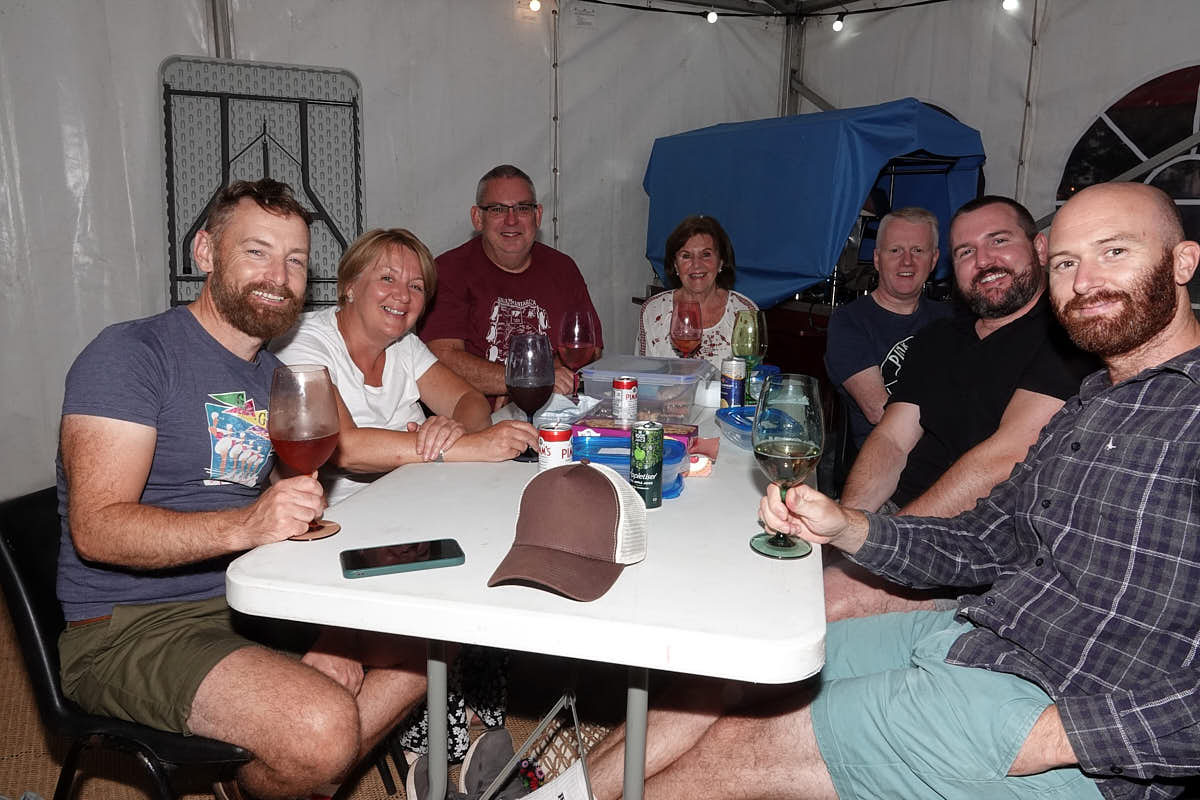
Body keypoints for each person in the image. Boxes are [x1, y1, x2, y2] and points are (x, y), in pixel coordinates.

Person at [596, 180, 1200, 800]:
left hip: (1061, 713)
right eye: (1069, 262)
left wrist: (1053, 738)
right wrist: (851, 527)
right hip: (985, 639)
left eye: (1115, 251)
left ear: (1183, 261)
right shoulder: (1093, 401)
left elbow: (997, 464)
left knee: (746, 745)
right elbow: (988, 537)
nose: (1085, 280)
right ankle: (562, 789)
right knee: (749, 656)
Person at [55, 179, 431, 800]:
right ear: (205, 252)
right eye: (257, 252)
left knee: (429, 639)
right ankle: (282, 769)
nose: (278, 277)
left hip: (249, 597)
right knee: (321, 727)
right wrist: (248, 524)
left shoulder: (277, 378)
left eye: (295, 261)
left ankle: (260, 781)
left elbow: (297, 518)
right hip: (131, 626)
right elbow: (96, 529)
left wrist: (336, 632)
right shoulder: (130, 354)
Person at [824, 195, 1098, 621]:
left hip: (983, 547)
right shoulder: (938, 339)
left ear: (1040, 248)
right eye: (966, 252)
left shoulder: (1067, 339)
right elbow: (892, 439)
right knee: (780, 571)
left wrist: (880, 544)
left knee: (821, 603)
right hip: (901, 519)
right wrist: (848, 526)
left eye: (999, 241)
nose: (984, 261)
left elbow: (1004, 457)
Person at [272, 227, 537, 507]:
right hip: (343, 514)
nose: (403, 295)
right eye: (387, 278)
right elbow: (346, 447)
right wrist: (472, 446)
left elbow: (469, 400)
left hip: (420, 497)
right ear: (350, 286)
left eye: (416, 286)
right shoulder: (301, 342)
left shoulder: (404, 345)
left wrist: (452, 432)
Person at [420, 164, 603, 404]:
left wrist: (533, 385)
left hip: (555, 410)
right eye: (497, 209)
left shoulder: (563, 268)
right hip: (473, 418)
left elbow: (590, 348)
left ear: (538, 216)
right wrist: (520, 381)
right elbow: (440, 358)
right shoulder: (448, 270)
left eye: (522, 208)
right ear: (477, 218)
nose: (511, 220)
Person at [824, 206, 955, 450]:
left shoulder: (952, 319)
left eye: (918, 250)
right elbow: (880, 412)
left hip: (948, 453)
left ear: (934, 259)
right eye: (895, 250)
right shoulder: (849, 321)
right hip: (888, 457)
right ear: (877, 259)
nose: (907, 261)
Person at [636, 214, 758, 370]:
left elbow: (751, 378)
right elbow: (644, 376)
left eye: (706, 254)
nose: (696, 265)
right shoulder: (654, 310)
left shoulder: (744, 312)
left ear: (721, 261)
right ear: (675, 264)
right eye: (686, 256)